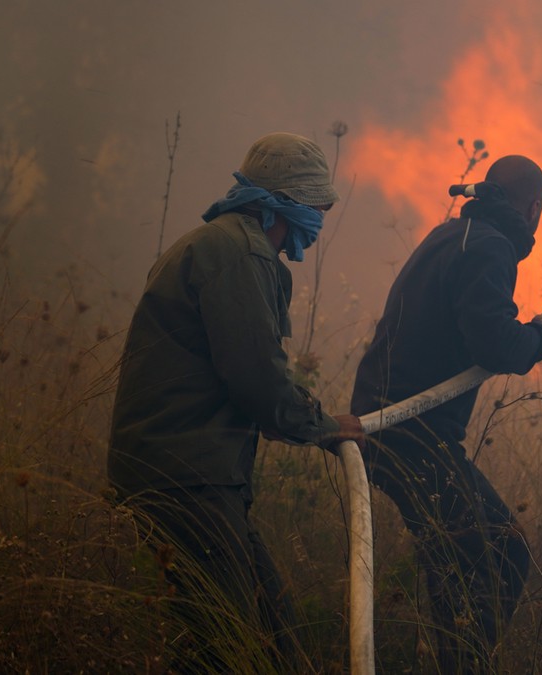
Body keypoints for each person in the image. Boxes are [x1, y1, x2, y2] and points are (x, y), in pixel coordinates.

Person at [108, 132, 365, 672]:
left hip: (187, 473)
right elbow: (257, 381)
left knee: (268, 631)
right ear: (282, 204)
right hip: (188, 478)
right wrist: (323, 426)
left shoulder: (216, 244)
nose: (319, 219)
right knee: (224, 646)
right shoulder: (239, 255)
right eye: (315, 207)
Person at [351, 154, 542, 673]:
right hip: (408, 432)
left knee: (456, 558)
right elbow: (497, 344)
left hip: (392, 426)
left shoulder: (451, 235)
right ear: (535, 208)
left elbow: (479, 330)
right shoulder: (491, 248)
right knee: (503, 554)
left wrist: (537, 335)